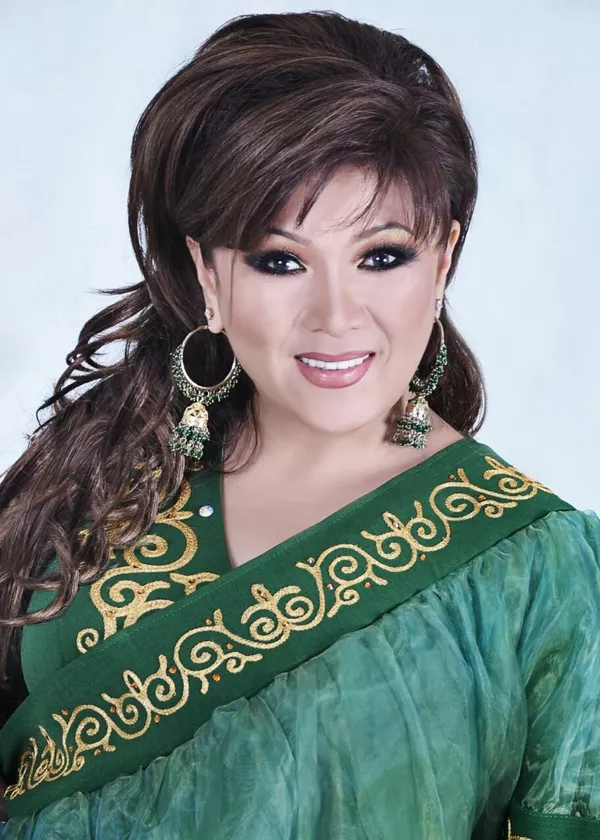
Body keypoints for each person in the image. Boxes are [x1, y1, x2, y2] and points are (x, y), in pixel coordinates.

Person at [0, 9, 598, 839]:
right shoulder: (98, 477)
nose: (334, 316)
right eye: (280, 261)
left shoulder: (542, 572)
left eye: (381, 256)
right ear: (208, 272)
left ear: (443, 261)